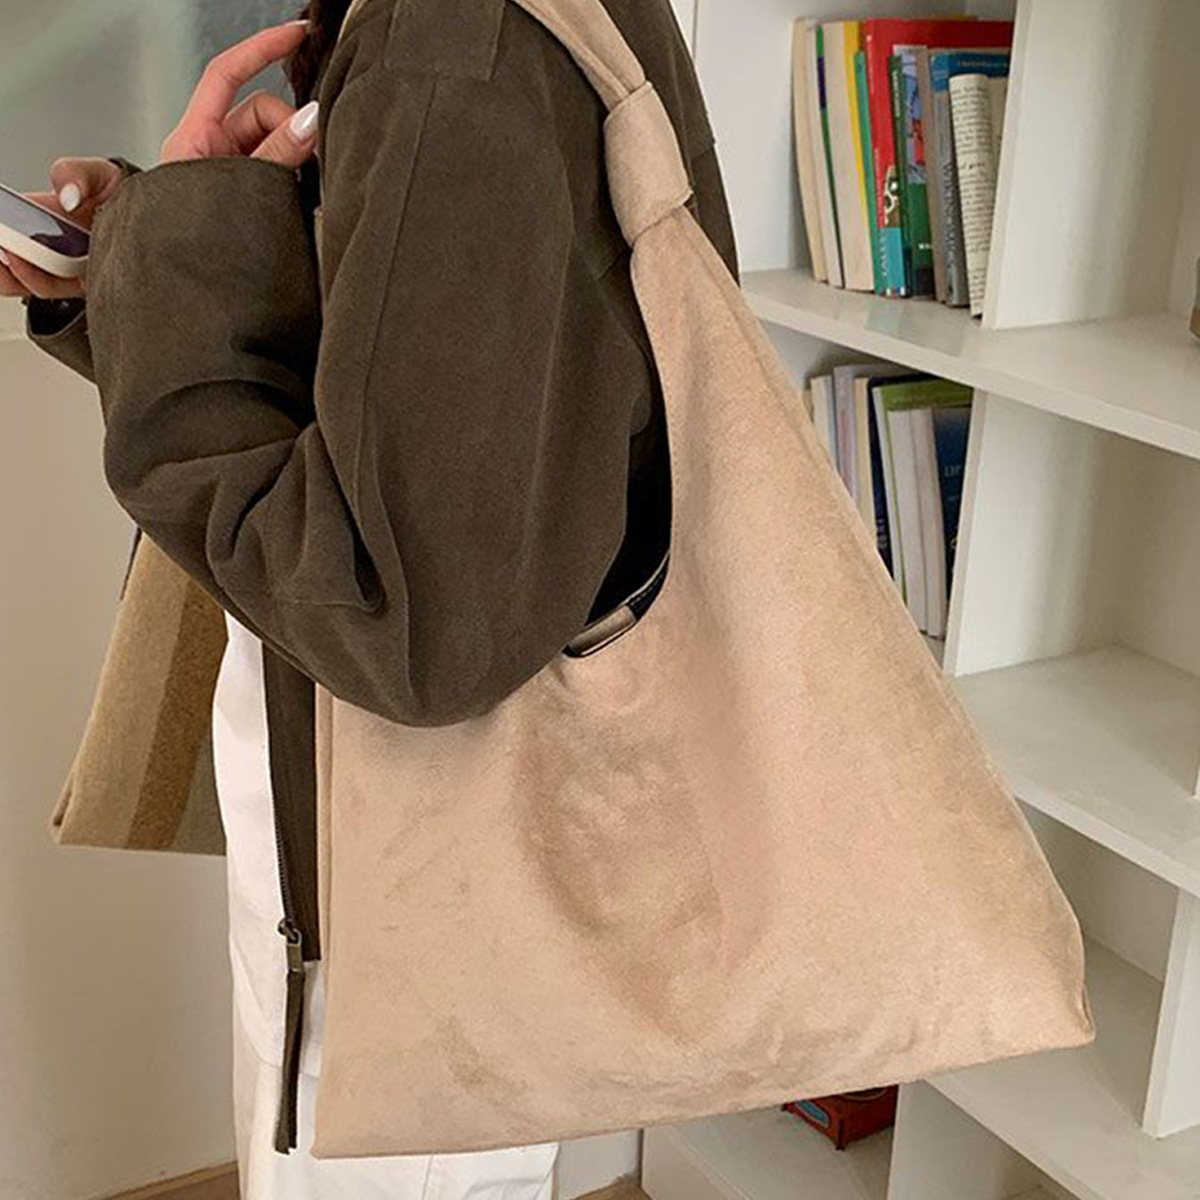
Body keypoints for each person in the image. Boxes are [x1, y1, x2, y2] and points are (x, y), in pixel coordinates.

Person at [3, 0, 737, 1194]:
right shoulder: (438, 37)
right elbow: (401, 393)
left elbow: (408, 625)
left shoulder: (448, 50)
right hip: (408, 870)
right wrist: (176, 236)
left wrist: (174, 257)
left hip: (403, 898)